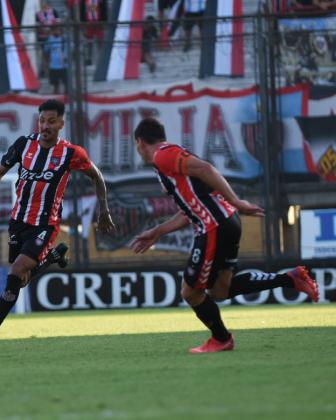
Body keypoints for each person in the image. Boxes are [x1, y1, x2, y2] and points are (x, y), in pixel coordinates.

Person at [130, 117, 320, 353]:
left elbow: (205, 168)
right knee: (219, 291)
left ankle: (221, 339)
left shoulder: (163, 155)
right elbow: (188, 210)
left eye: (136, 145)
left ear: (140, 142)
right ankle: (290, 278)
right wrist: (157, 231)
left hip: (214, 226)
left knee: (190, 292)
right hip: (226, 222)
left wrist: (235, 200)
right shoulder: (165, 164)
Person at [0, 99, 115, 349]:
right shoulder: (24, 144)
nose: (45, 126)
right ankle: (52, 257)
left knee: (16, 271)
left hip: (46, 223)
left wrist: (103, 209)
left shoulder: (71, 153)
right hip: (17, 221)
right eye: (42, 120)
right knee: (20, 277)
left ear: (61, 123)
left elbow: (96, 176)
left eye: (51, 121)